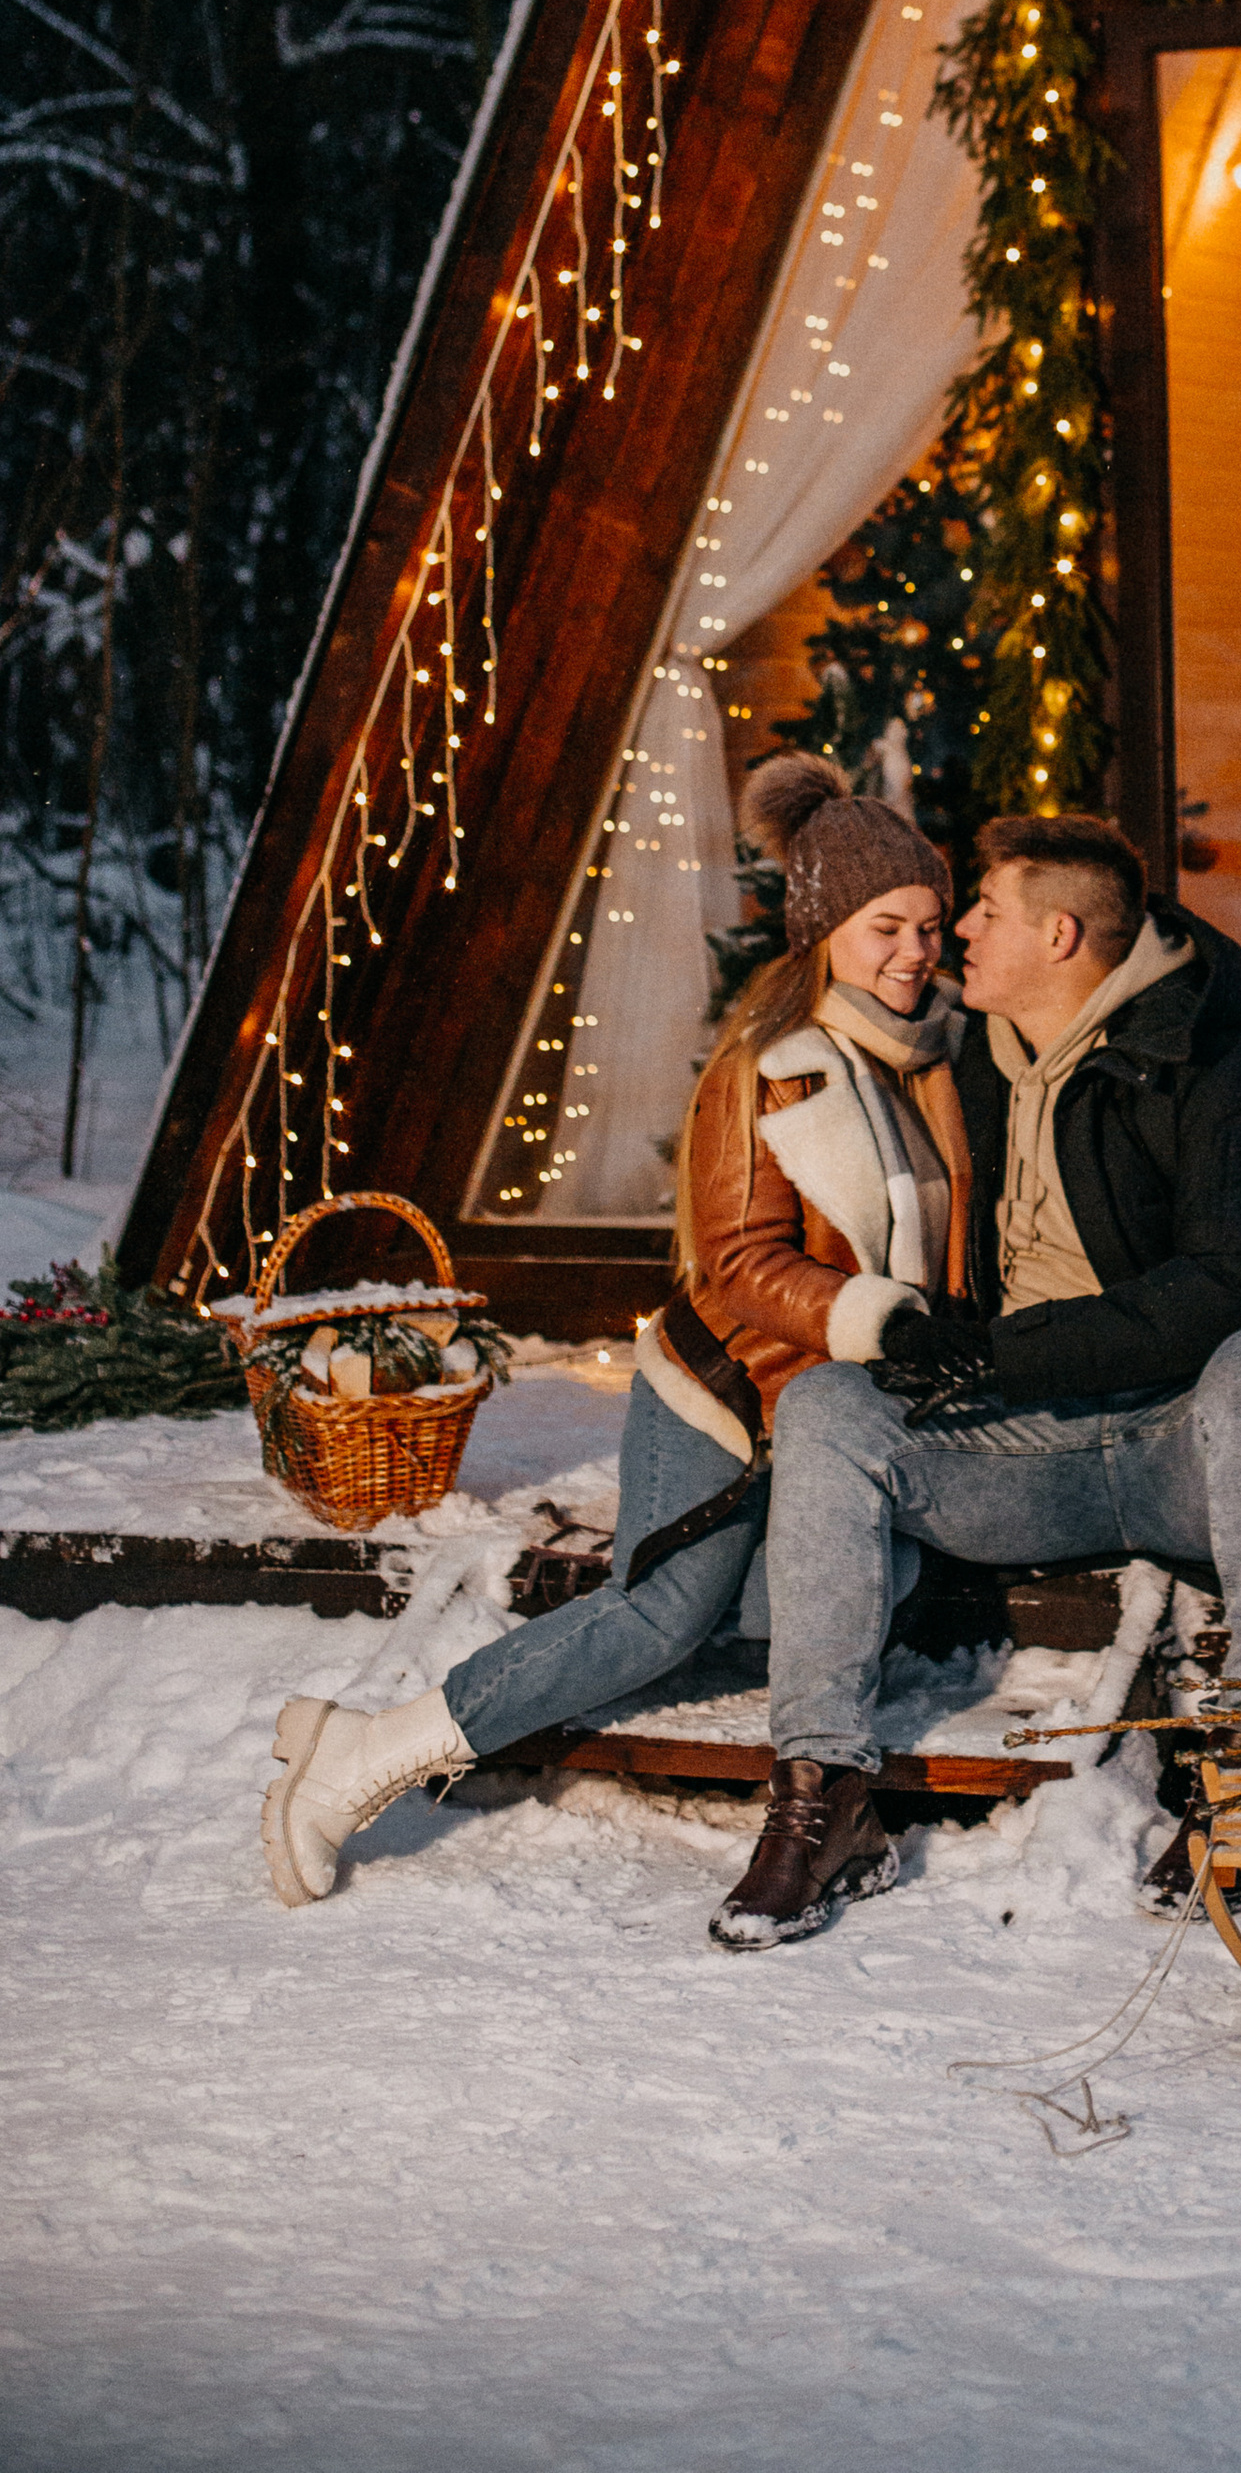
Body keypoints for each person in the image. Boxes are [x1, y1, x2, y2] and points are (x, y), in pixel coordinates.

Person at [259, 757, 966, 1926]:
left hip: (837, 1421)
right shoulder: (766, 1073)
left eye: (930, 925)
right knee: (664, 1614)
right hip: (729, 1391)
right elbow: (739, 1264)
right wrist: (872, 1322)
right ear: (825, 932)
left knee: (827, 1604)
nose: (914, 949)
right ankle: (360, 1758)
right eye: (886, 925)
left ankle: (389, 1730)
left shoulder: (929, 1068)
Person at [725, 808, 1241, 1949]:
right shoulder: (968, 1070)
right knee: (829, 1408)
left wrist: (1006, 1353)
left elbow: (1235, 1283)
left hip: (1191, 1450)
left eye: (984, 914)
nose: (957, 937)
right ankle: (821, 1794)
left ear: (1058, 936)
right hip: (1030, 1450)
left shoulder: (1226, 1072)